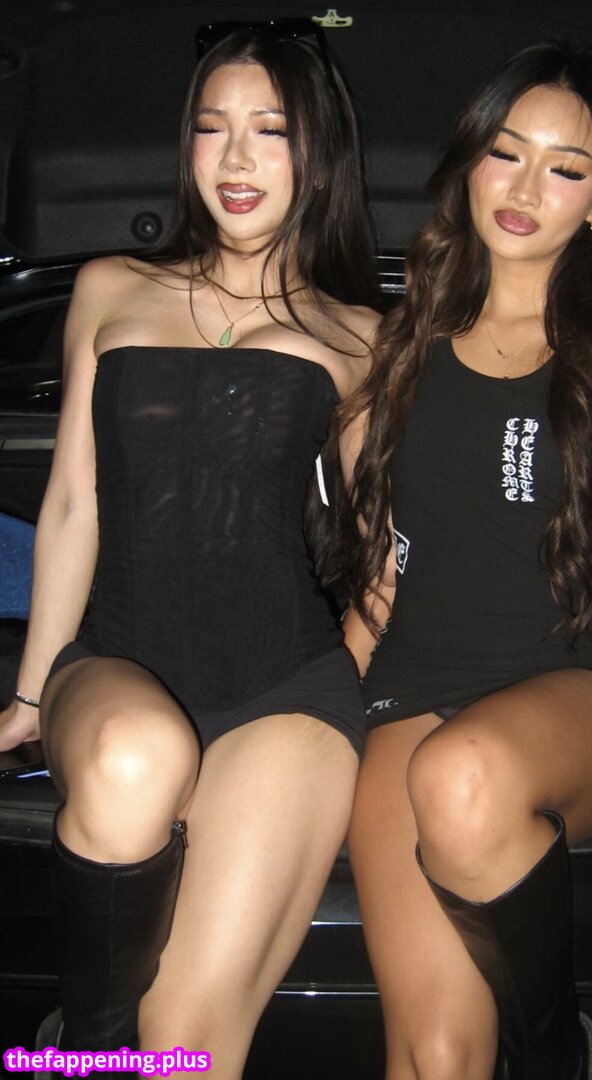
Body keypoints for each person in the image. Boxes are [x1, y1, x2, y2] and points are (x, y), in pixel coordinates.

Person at [0, 21, 379, 1078]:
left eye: (271, 130)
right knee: (136, 757)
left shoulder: (364, 334)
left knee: (185, 1051)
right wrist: (33, 694)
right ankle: (84, 1048)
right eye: (213, 128)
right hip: (118, 659)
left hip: (287, 686)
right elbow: (72, 503)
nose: (237, 158)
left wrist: (359, 667)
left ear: (318, 155)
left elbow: (388, 540)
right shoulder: (110, 287)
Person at [339, 42, 592, 1080]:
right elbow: (382, 566)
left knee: (460, 778)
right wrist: (322, 711)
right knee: (434, 1058)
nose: (525, 187)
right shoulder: (402, 342)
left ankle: (554, 1055)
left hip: (582, 681)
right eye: (506, 152)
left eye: (565, 167)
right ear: (469, 161)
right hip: (413, 684)